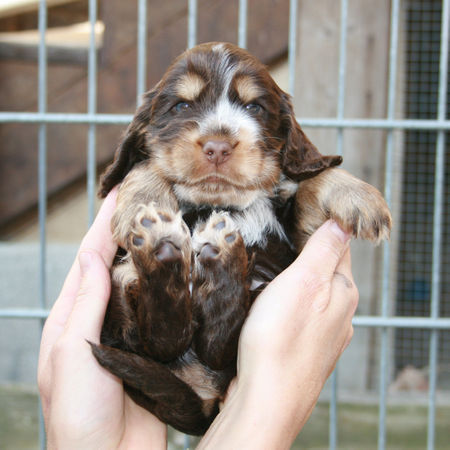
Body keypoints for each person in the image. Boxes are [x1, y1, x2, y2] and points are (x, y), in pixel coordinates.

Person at [38, 188, 358, 450]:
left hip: (200, 363)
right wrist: (269, 410)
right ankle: (178, 274)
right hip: (180, 356)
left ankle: (173, 272)